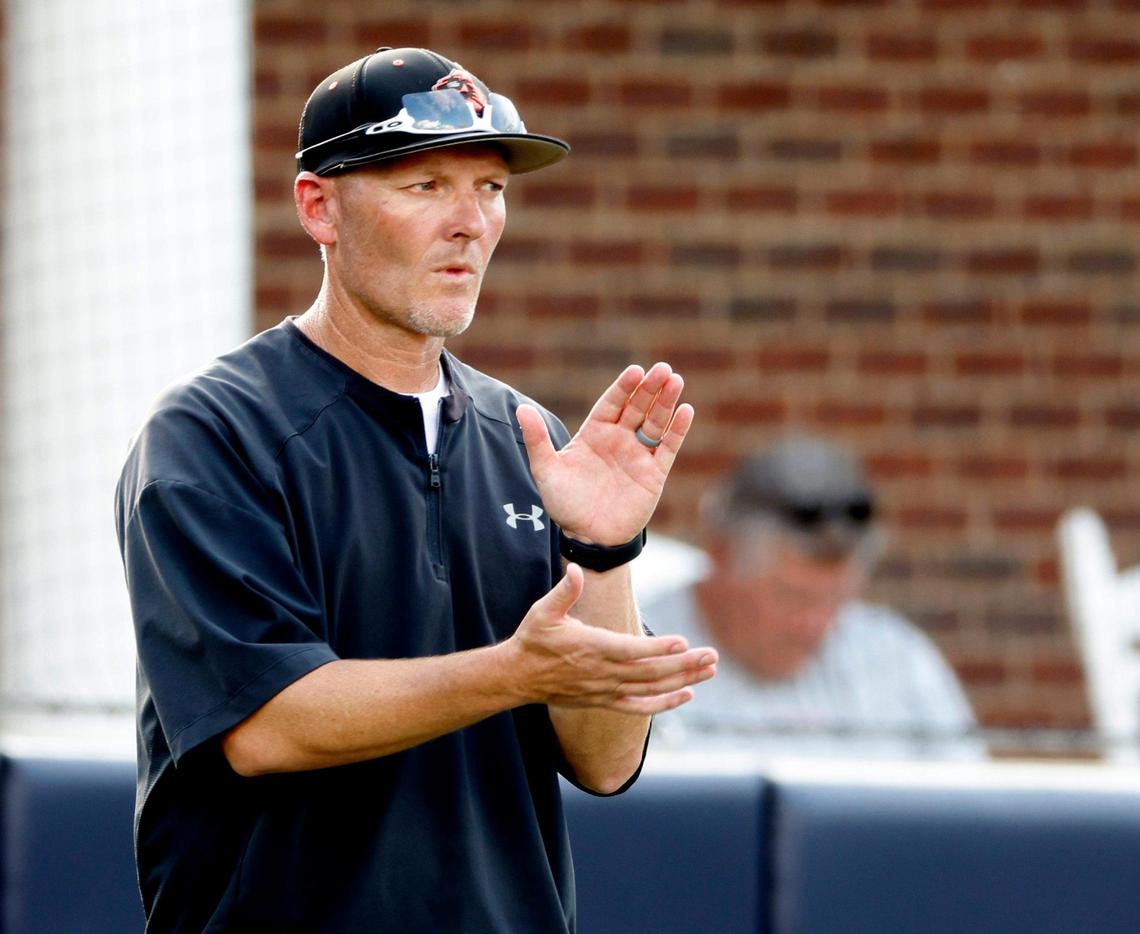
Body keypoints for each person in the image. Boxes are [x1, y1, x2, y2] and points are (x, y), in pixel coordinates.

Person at [114, 46, 717, 933]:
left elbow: (603, 759)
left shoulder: (532, 439)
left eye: (491, 188)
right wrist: (511, 673)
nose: (470, 223)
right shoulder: (214, 433)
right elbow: (266, 726)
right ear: (318, 206)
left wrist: (603, 550)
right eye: (427, 186)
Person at [640, 435, 984, 761]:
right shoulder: (637, 655)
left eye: (836, 598)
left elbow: (969, 808)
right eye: (792, 597)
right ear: (722, 556)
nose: (814, 625)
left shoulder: (898, 661)